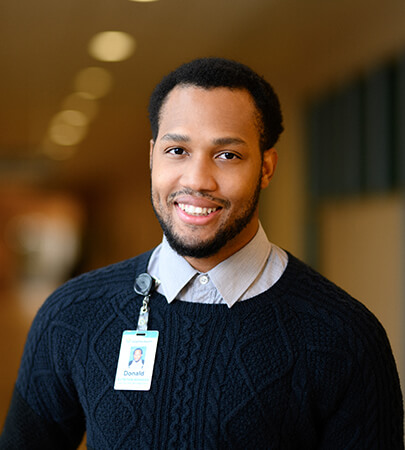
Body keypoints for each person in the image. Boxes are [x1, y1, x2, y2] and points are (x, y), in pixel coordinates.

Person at [0, 57, 403, 449]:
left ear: (266, 167)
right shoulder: (72, 314)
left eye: (227, 155)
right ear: (152, 156)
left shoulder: (345, 337)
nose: (197, 180)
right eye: (177, 150)